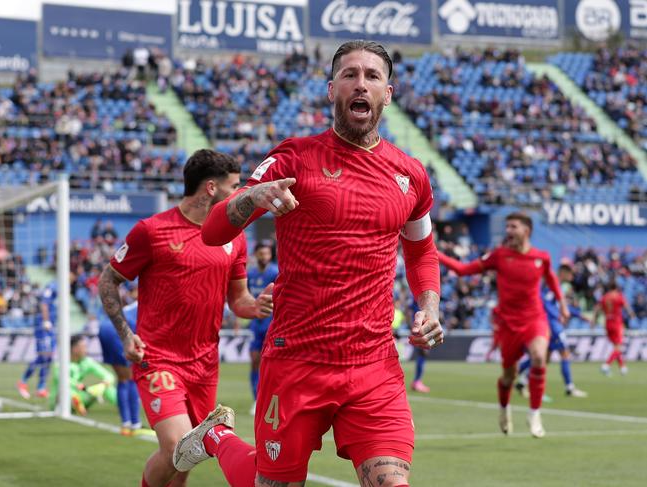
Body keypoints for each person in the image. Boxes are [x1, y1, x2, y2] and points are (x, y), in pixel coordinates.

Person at [173, 40, 444, 487]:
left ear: (388, 93)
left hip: (374, 362)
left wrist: (429, 306)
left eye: (372, 76)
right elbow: (213, 231)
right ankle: (217, 438)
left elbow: (420, 250)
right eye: (350, 75)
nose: (361, 84)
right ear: (331, 88)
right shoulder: (294, 157)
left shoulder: (410, 173)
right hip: (297, 360)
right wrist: (252, 196)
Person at [98, 149, 274, 487]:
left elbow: (238, 299)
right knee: (178, 445)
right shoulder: (152, 231)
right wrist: (125, 334)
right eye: (235, 186)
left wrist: (257, 306)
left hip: (205, 364)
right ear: (211, 188)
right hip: (159, 358)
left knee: (185, 461)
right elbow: (109, 279)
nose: (240, 194)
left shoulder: (234, 237)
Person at [438, 213, 569, 438]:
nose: (508, 230)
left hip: (534, 318)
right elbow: (462, 270)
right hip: (507, 324)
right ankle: (504, 409)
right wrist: (434, 253)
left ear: (526, 230)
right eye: (507, 226)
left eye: (513, 226)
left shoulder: (542, 257)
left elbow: (552, 279)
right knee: (509, 376)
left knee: (539, 356)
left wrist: (563, 305)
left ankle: (534, 413)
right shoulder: (499, 256)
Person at [515, 286, 588, 398]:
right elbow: (557, 308)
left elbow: (563, 308)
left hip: (546, 327)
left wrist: (579, 315)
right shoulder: (549, 292)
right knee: (564, 354)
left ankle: (523, 380)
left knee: (542, 359)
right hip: (553, 328)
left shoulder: (548, 294)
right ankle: (569, 387)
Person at [98, 300, 146, 435]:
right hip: (118, 330)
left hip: (106, 327)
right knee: (130, 378)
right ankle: (135, 423)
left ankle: (126, 422)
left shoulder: (138, 303)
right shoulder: (154, 305)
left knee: (123, 378)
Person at [245, 240, 278, 416]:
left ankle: (272, 399)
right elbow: (246, 296)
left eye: (267, 253)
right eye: (261, 253)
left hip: (273, 323)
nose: (264, 256)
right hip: (256, 323)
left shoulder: (276, 272)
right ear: (256, 254)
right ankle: (257, 399)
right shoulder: (251, 274)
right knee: (255, 360)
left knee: (271, 364)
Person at [49, 334, 117, 415]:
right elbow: (64, 380)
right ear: (74, 349)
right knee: (67, 389)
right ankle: (76, 403)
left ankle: (123, 403)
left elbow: (109, 375)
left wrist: (103, 384)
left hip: (81, 394)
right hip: (59, 401)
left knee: (106, 387)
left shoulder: (87, 362)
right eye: (83, 347)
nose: (86, 349)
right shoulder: (60, 364)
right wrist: (80, 386)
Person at [17, 282, 57, 400]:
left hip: (51, 327)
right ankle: (23, 381)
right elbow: (44, 303)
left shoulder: (62, 286)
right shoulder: (53, 285)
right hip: (43, 326)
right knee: (43, 356)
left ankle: (41, 388)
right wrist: (45, 321)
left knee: (48, 357)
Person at [593, 281, 636, 376]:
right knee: (618, 347)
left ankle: (622, 367)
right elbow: (626, 306)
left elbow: (596, 309)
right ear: (616, 288)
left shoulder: (604, 297)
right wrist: (631, 314)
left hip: (607, 323)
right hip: (617, 323)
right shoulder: (618, 296)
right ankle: (606, 365)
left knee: (616, 347)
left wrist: (593, 320)